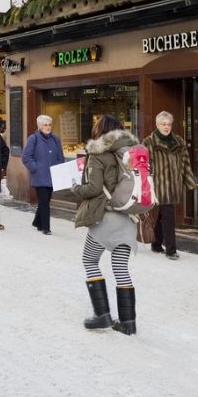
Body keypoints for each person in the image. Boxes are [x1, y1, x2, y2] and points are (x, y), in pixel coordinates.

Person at [71, 115, 140, 335]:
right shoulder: (129, 152)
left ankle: (102, 314)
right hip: (127, 216)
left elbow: (93, 188)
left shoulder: (98, 154)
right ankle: (128, 323)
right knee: (120, 268)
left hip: (106, 219)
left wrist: (75, 188)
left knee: (89, 260)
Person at [142, 111, 198, 260]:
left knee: (163, 214)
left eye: (168, 124)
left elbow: (185, 163)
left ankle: (156, 244)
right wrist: (146, 184)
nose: (166, 127)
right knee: (168, 215)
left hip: (174, 184)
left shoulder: (179, 141)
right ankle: (171, 250)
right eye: (163, 124)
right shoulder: (148, 142)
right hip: (157, 184)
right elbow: (143, 165)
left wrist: (190, 182)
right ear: (157, 124)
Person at [22, 114, 65, 235]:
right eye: (45, 125)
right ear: (39, 126)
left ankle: (37, 222)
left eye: (49, 125)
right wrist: (36, 168)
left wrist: (60, 168)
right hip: (40, 176)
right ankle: (46, 227)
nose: (48, 127)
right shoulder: (33, 138)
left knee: (44, 201)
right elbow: (26, 157)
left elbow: (60, 156)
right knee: (45, 202)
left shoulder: (55, 139)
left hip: (53, 175)